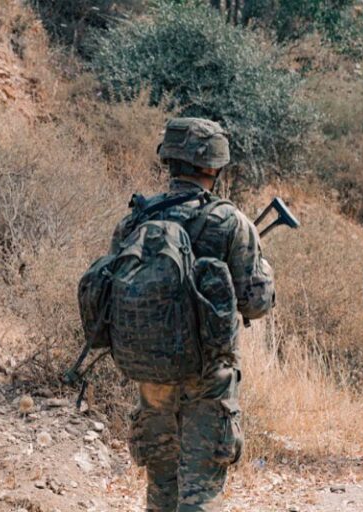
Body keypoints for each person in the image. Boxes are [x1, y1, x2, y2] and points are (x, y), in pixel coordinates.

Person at [111, 118, 275, 511]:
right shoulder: (231, 222)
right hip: (208, 377)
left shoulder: (135, 220)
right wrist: (265, 270)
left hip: (152, 374)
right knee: (200, 493)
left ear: (170, 159)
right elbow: (256, 303)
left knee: (161, 491)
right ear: (215, 165)